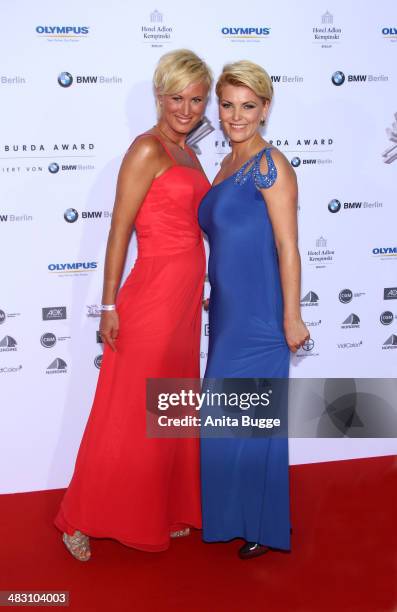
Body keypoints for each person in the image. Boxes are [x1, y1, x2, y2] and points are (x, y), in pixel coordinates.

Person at [54, 49, 212, 560]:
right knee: (125, 412)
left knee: (169, 409)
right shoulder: (146, 150)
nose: (186, 109)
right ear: (159, 96)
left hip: (185, 302)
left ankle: (162, 507)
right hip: (150, 300)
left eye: (196, 99)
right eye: (176, 99)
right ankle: (77, 519)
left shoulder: (190, 152)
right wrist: (107, 306)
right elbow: (119, 229)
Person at [198, 60, 309, 559]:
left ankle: (263, 524)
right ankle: (238, 515)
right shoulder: (224, 163)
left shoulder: (272, 164)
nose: (236, 116)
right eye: (227, 105)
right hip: (226, 312)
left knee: (252, 423)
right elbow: (231, 239)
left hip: (261, 318)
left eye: (248, 106)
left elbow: (288, 247)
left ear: (265, 108)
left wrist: (291, 318)